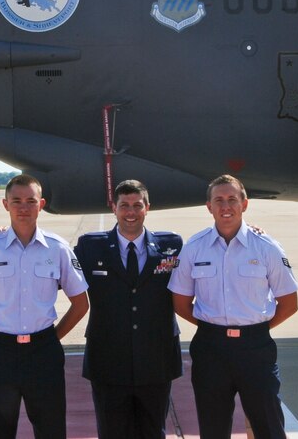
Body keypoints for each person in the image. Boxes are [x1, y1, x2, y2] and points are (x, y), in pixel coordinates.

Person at [0, 174, 89, 439]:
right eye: (16, 201)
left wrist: (51, 338)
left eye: (30, 201)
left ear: (41, 204)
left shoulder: (58, 248)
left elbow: (80, 303)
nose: (23, 207)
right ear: (5, 204)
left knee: (51, 430)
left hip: (44, 355)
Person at [168, 175, 298, 439]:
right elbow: (181, 303)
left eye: (232, 199)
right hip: (210, 350)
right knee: (213, 428)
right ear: (209, 207)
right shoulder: (194, 247)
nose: (225, 206)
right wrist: (214, 325)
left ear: (244, 204)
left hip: (256, 350)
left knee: (269, 426)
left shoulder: (266, 248)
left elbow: (289, 302)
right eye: (219, 200)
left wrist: (255, 328)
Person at [74, 180, 183, 439]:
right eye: (124, 205)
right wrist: (8, 234)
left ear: (148, 208)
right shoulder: (90, 247)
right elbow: (52, 268)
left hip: (156, 360)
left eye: (137, 205)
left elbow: (208, 257)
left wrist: (249, 231)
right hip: (108, 361)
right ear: (114, 208)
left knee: (153, 432)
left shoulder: (173, 245)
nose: (130, 212)